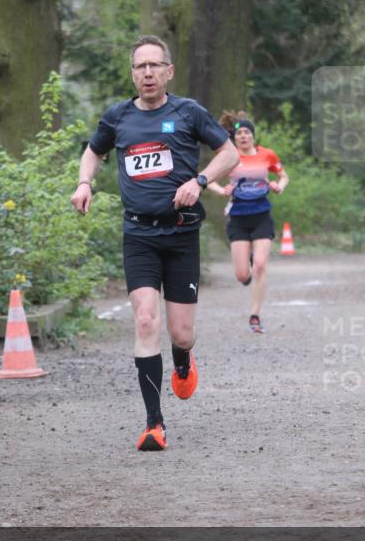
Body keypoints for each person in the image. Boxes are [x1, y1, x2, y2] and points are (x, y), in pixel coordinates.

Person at [70, 36, 238, 452]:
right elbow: (92, 151)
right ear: (133, 73)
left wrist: (199, 182)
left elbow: (230, 154)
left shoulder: (188, 112)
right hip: (139, 234)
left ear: (169, 71)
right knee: (145, 321)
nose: (147, 73)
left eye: (154, 65)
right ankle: (154, 424)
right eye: (139, 66)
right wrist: (84, 182)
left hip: (181, 234)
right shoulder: (118, 118)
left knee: (181, 333)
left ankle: (183, 360)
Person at [208, 115, 288, 334]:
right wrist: (221, 190)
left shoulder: (267, 155)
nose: (243, 136)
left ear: (253, 136)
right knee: (242, 275)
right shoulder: (229, 157)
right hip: (238, 218)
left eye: (247, 132)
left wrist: (278, 186)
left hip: (261, 215)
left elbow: (283, 175)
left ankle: (255, 315)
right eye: (239, 133)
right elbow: (209, 179)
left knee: (260, 265)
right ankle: (249, 271)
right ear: (234, 138)